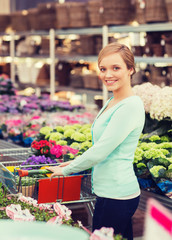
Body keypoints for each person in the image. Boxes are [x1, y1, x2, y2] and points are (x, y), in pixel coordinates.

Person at [46, 42, 145, 240]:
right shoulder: (113, 101)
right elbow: (102, 145)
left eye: (116, 68)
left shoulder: (130, 106)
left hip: (116, 195)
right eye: (103, 69)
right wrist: (72, 163)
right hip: (110, 192)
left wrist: (67, 170)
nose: (108, 75)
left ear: (130, 69)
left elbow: (101, 150)